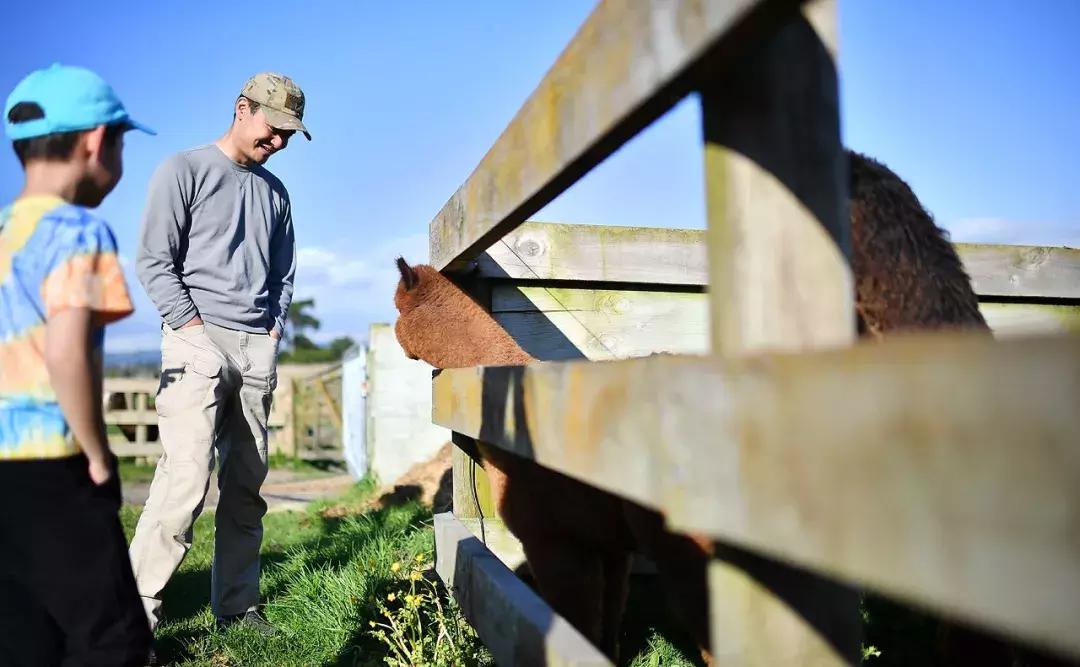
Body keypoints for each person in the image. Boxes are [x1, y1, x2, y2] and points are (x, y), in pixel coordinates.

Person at [128, 72, 308, 638]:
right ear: (242, 108)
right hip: (194, 339)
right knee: (184, 481)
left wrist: (272, 333)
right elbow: (155, 260)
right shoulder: (183, 170)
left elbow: (283, 275)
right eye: (274, 128)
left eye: (288, 135)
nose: (278, 142)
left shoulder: (276, 194)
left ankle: (237, 609)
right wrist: (192, 327)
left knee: (247, 487)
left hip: (256, 348)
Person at [0, 63, 154, 666]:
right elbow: (66, 353)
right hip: (53, 462)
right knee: (108, 638)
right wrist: (96, 452)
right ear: (96, 142)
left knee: (22, 637)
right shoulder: (80, 232)